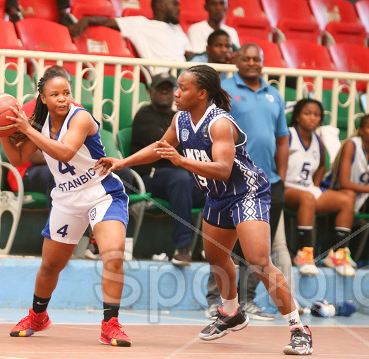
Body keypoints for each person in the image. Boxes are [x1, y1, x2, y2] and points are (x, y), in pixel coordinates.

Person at [95, 64, 313, 355]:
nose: (176, 92)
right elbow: (161, 146)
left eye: (183, 88)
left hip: (246, 192)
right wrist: (122, 162)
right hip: (217, 196)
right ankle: (232, 313)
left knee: (259, 260)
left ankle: (299, 329)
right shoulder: (182, 118)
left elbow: (223, 170)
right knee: (215, 257)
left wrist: (181, 161)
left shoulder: (219, 123)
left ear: (202, 93)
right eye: (177, 87)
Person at [1, 69, 132, 346]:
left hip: (101, 192)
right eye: (55, 95)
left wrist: (26, 130)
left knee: (113, 256)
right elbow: (17, 157)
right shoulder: (38, 122)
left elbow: (64, 152)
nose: (62, 99)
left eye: (66, 93)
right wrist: (0, 131)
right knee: (50, 265)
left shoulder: (80, 117)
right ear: (44, 98)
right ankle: (38, 316)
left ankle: (110, 324)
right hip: (67, 197)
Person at [204, 43, 292, 321]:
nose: (252, 63)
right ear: (236, 60)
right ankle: (218, 302)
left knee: (258, 252)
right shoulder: (225, 91)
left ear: (262, 62)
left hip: (268, 183)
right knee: (222, 249)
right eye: (247, 58)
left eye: (257, 59)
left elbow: (281, 139)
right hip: (232, 183)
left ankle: (249, 300)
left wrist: (281, 177)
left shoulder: (274, 95)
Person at [131, 72, 205, 266]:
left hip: (180, 178)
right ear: (149, 91)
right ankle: (183, 247)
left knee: (217, 186)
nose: (165, 91)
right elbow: (163, 149)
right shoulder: (144, 115)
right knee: (180, 178)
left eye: (169, 87)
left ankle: (215, 249)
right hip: (149, 177)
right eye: (159, 87)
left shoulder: (179, 117)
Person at [285, 99, 355, 276]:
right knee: (307, 198)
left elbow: (323, 165)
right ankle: (304, 254)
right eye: (307, 113)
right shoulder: (288, 135)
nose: (312, 118)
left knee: (346, 200)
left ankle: (337, 254)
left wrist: (315, 185)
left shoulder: (318, 140)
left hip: (307, 189)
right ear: (298, 116)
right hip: (286, 188)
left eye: (317, 115)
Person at [323, 114, 369, 273]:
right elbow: (344, 182)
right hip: (338, 191)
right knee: (349, 196)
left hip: (362, 195)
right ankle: (338, 253)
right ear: (362, 130)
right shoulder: (351, 145)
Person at [68, 0, 193, 73]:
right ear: (160, 5)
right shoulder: (140, 23)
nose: (179, 8)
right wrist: (87, 19)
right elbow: (107, 21)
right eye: (175, 4)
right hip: (166, 75)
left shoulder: (177, 29)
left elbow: (191, 55)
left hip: (186, 72)